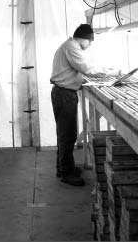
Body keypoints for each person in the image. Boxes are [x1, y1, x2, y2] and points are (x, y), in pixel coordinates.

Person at [50, 24, 121, 186]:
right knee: (67, 134)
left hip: (64, 93)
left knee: (65, 133)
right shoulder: (71, 46)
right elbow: (87, 68)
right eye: (90, 41)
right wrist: (111, 73)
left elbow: (79, 70)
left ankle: (62, 168)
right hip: (64, 95)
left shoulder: (70, 46)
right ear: (83, 38)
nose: (90, 45)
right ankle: (66, 173)